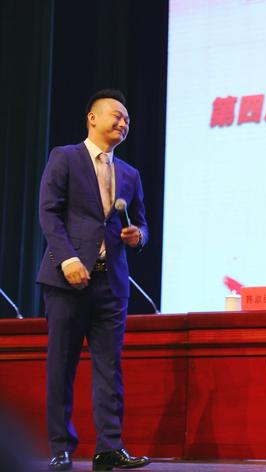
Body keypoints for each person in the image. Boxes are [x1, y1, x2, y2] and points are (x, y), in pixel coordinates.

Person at [37, 89, 151, 471]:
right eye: (117, 115)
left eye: (128, 120)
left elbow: (142, 223)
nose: (123, 123)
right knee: (62, 365)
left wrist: (138, 236)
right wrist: (67, 258)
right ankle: (61, 448)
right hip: (67, 280)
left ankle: (109, 447)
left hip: (111, 283)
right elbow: (49, 213)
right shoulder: (65, 157)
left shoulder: (130, 173)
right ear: (92, 118)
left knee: (110, 367)